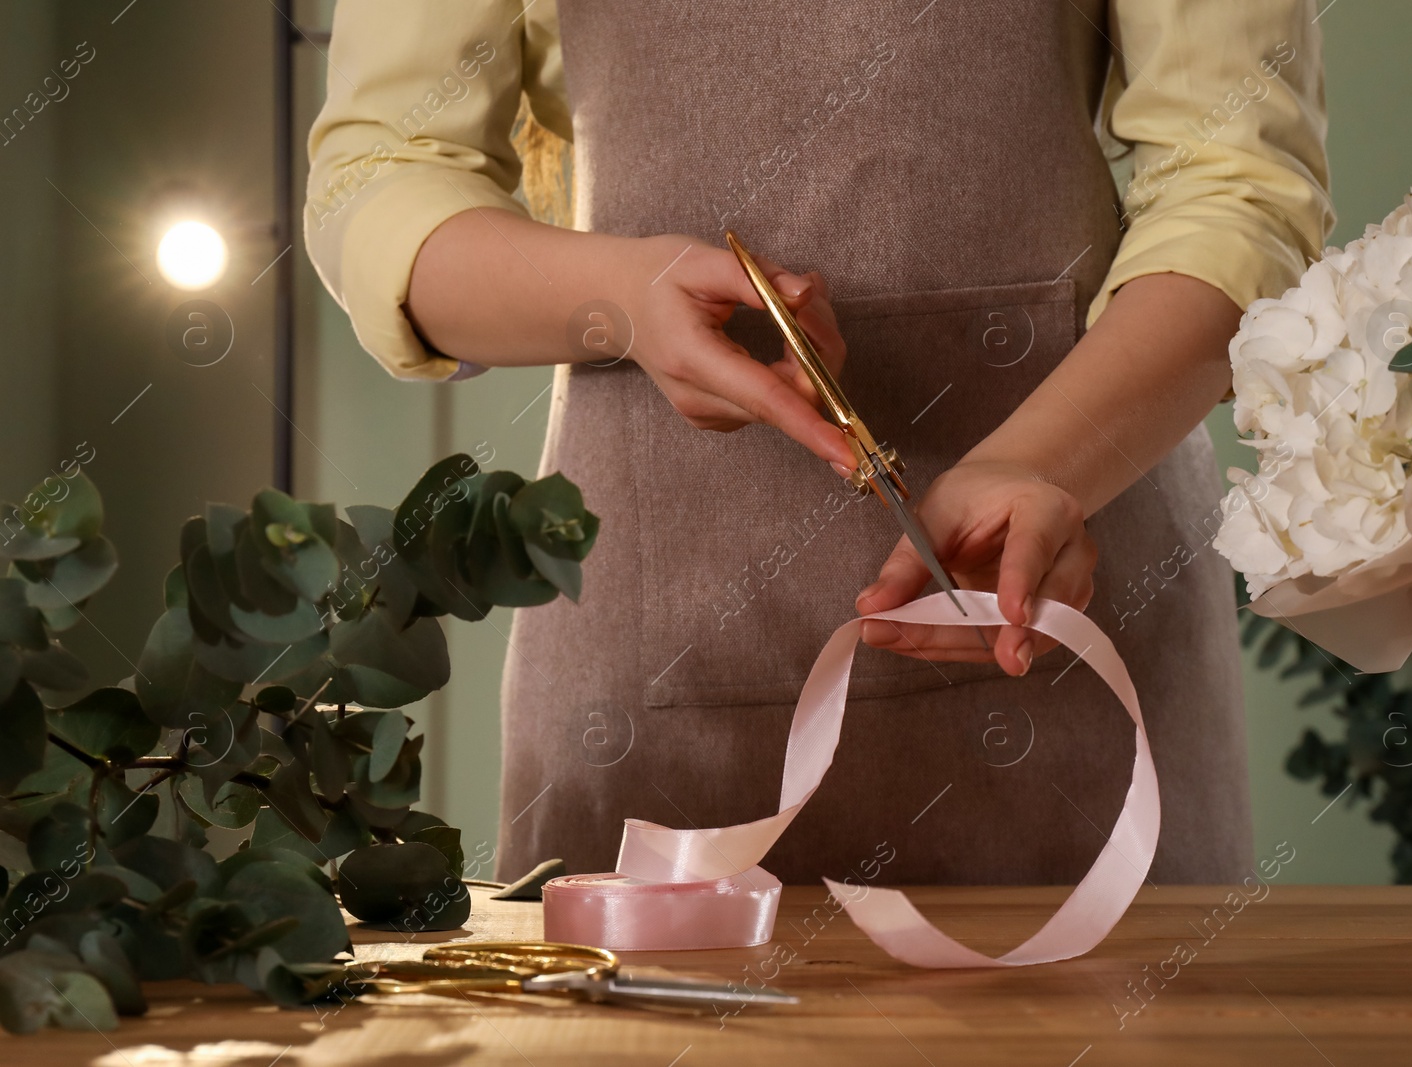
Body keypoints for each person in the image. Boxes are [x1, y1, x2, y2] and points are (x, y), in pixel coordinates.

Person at [305, 0, 1332, 886]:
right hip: (651, 647)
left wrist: (1049, 462)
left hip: (1065, 594)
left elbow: (1238, 181)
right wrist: (620, 298)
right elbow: (379, 179)